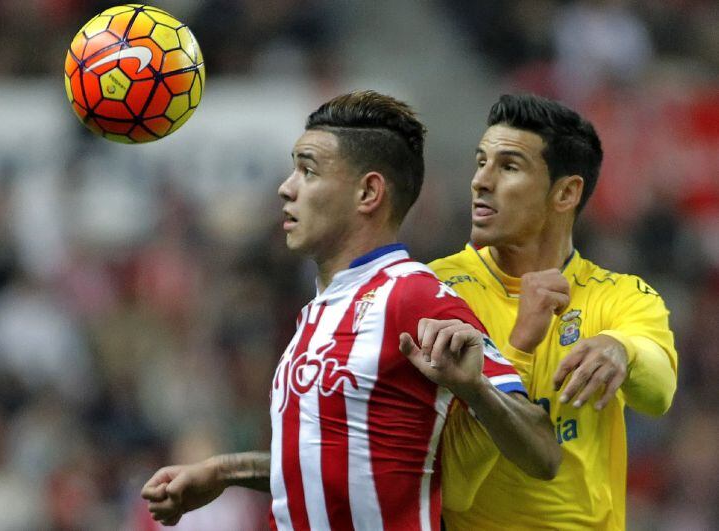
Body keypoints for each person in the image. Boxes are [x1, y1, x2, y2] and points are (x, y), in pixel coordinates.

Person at [141, 90, 561, 530]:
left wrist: (476, 391)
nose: (286, 187)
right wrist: (224, 472)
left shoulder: (411, 295)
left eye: (308, 170)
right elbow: (340, 460)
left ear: (368, 192)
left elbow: (544, 452)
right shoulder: (318, 312)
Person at [433, 94, 678, 530]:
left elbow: (658, 394)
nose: (480, 181)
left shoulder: (619, 296)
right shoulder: (435, 290)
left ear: (566, 192)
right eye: (480, 161)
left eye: (508, 166)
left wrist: (622, 349)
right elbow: (451, 485)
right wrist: (519, 348)